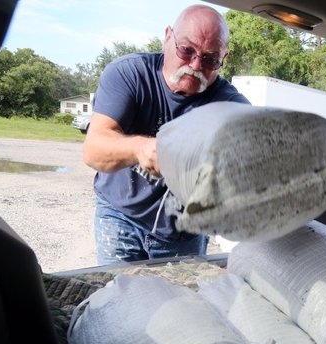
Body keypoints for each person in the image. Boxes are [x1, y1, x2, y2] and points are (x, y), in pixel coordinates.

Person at [83, 4, 249, 265]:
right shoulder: (129, 74)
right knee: (117, 298)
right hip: (119, 216)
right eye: (186, 50)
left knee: (177, 303)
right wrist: (141, 148)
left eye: (210, 59)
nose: (195, 65)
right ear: (168, 36)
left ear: (223, 58)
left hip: (183, 234)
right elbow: (93, 149)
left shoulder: (231, 107)